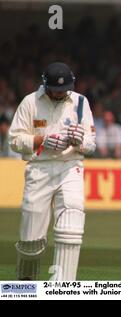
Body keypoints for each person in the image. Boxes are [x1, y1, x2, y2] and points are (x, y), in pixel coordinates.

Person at [9, 62, 96, 280]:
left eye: (64, 89)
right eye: (55, 89)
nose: (59, 93)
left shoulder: (80, 102)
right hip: (39, 168)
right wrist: (41, 140)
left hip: (70, 166)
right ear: (45, 84)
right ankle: (26, 283)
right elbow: (14, 140)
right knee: (31, 241)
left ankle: (63, 286)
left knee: (72, 221)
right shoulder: (30, 102)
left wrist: (79, 141)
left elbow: (91, 144)